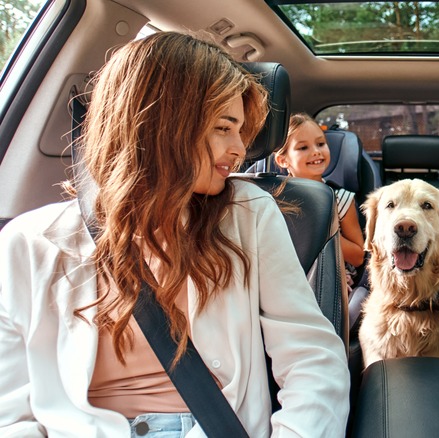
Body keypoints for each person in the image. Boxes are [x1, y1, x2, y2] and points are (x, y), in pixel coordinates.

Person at [0, 32, 350, 437]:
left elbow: (312, 359)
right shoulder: (28, 243)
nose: (240, 150)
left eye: (240, 131)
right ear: (158, 124)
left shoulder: (249, 214)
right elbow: (9, 412)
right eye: (224, 128)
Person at [274, 113, 365, 289]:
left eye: (321, 144)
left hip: (330, 279)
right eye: (303, 147)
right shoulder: (274, 200)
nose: (316, 151)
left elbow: (358, 257)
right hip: (284, 278)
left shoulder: (341, 200)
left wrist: (322, 231)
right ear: (283, 160)